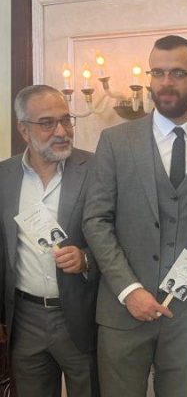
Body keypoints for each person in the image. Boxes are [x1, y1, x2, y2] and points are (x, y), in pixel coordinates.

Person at [82, 35, 187, 397]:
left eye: (177, 73)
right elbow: (95, 220)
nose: (166, 82)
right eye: (158, 72)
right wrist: (129, 290)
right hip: (123, 311)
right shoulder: (115, 141)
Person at [0, 85, 98, 397]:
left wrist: (86, 259)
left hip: (81, 317)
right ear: (23, 130)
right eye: (47, 123)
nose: (61, 131)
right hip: (24, 319)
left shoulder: (96, 169)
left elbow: (121, 236)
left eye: (66, 120)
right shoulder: (4, 176)